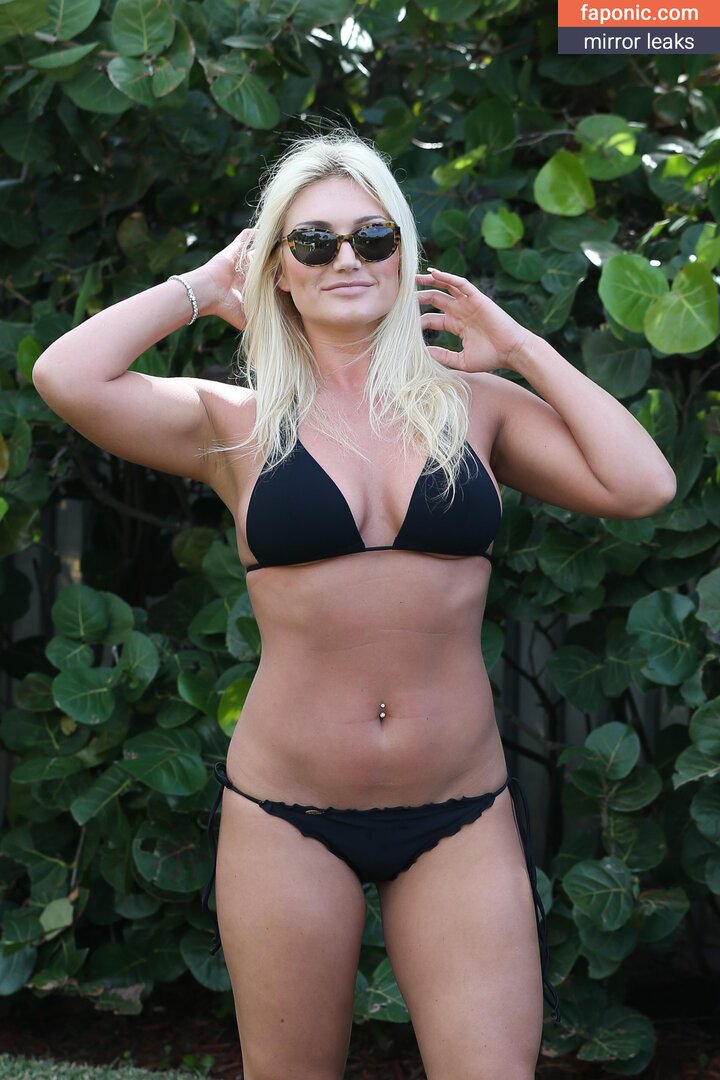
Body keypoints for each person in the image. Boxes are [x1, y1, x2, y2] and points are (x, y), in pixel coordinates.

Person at [32, 131, 677, 1080]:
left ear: (403, 256)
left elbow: (643, 485)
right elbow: (65, 375)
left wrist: (521, 348)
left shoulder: (475, 407)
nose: (347, 259)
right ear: (277, 270)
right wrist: (202, 287)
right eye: (314, 241)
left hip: (460, 814)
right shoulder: (234, 423)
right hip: (286, 816)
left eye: (374, 238)